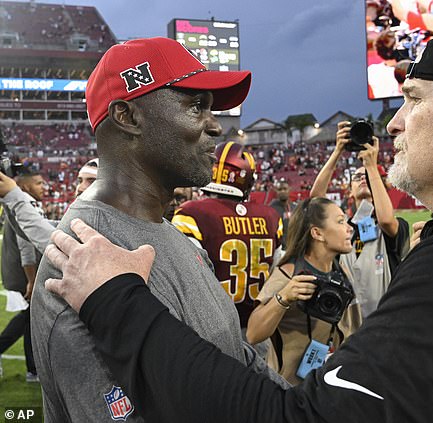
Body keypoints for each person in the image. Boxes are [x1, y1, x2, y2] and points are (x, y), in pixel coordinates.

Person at [44, 17, 433, 422]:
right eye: (194, 103)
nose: (396, 122)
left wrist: (117, 301)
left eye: (416, 98)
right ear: (127, 116)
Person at [30, 36, 286, 423]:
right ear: (127, 116)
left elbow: (241, 359)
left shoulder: (183, 242)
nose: (217, 126)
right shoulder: (79, 260)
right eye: (196, 106)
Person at [171, 141, 283, 346]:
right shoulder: (271, 217)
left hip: (212, 330)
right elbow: (279, 272)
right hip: (259, 327)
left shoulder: (191, 214)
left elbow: (184, 278)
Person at [245, 197, 362, 385]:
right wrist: (283, 298)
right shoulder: (287, 275)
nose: (349, 228)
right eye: (341, 222)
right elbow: (253, 334)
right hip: (291, 389)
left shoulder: (342, 273)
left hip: (333, 382)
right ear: (317, 233)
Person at [311, 122, 409, 318]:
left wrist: (371, 166)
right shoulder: (340, 226)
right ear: (349, 191)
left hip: (386, 319)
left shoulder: (395, 225)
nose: (362, 178)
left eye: (366, 176)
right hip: (348, 323)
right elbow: (315, 201)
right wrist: (337, 151)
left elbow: (387, 221)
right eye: (357, 177)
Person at [0, 168, 45, 382]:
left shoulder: (23, 201)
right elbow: (26, 245)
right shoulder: (24, 203)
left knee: (29, 319)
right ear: (25, 186)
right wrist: (31, 279)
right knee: (27, 318)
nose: (43, 187)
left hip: (20, 273)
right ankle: (33, 369)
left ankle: (33, 369)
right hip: (23, 274)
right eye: (38, 183)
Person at [268, 178, 295, 249]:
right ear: (276, 191)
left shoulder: (294, 207)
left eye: (285, 189)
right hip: (279, 249)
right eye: (280, 189)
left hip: (293, 247)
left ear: (289, 189)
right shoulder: (271, 209)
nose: (282, 191)